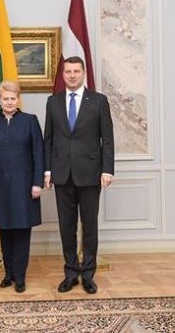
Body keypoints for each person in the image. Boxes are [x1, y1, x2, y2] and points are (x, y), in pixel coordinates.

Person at [44, 56, 114, 295]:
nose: (72, 75)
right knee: (67, 226)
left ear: (83, 73)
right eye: (68, 71)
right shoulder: (53, 101)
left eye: (76, 71)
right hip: (62, 173)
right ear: (63, 75)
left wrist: (107, 169)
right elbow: (48, 139)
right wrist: (48, 170)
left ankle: (88, 275)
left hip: (91, 173)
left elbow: (107, 139)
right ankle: (71, 273)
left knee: (90, 226)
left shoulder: (99, 101)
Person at [0, 80, 44, 293]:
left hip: (25, 188)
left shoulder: (30, 121)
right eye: (5, 98)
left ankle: (20, 277)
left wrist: (37, 183)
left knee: (22, 232)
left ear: (18, 99)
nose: (9, 102)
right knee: (4, 231)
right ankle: (9, 274)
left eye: (13, 98)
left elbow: (38, 154)